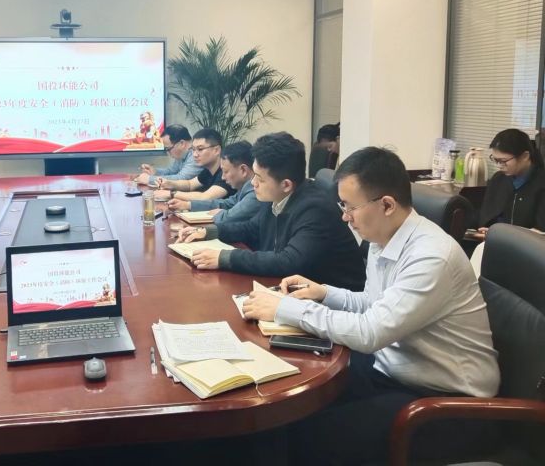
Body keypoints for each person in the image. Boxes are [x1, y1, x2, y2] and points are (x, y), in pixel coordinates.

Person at [243, 147, 499, 465]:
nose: (344, 217)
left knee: (308, 435)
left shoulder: (431, 257)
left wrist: (284, 309)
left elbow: (370, 332)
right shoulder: (383, 239)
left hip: (446, 405)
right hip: (392, 370)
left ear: (387, 205)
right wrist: (324, 293)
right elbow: (374, 303)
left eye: (350, 207)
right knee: (287, 403)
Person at [177, 132, 365, 291]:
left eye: (259, 178)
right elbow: (251, 228)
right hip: (294, 290)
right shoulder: (277, 195)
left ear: (286, 185)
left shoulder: (315, 209)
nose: (253, 183)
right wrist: (208, 231)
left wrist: (224, 257)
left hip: (332, 304)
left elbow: (288, 261)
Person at [166, 141, 260, 225]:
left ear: (243, 170)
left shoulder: (256, 191)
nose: (223, 177)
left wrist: (222, 213)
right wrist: (188, 205)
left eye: (226, 172)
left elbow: (230, 217)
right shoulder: (245, 187)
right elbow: (226, 204)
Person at [478, 128, 545, 235]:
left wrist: (505, 234)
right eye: (495, 160)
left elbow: (541, 232)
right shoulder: (498, 179)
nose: (499, 166)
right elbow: (486, 218)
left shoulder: (541, 184)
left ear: (525, 156)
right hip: (493, 239)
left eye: (503, 161)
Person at [154, 128, 235, 202]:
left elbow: (206, 197)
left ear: (216, 150)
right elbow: (190, 184)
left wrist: (171, 194)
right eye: (193, 149)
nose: (195, 155)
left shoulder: (225, 172)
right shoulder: (208, 170)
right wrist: (170, 183)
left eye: (200, 149)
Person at [133, 124, 201, 185]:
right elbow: (172, 171)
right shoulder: (183, 153)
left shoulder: (196, 155)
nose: (168, 153)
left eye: (168, 149)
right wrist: (155, 171)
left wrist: (149, 179)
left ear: (181, 143)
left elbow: (181, 178)